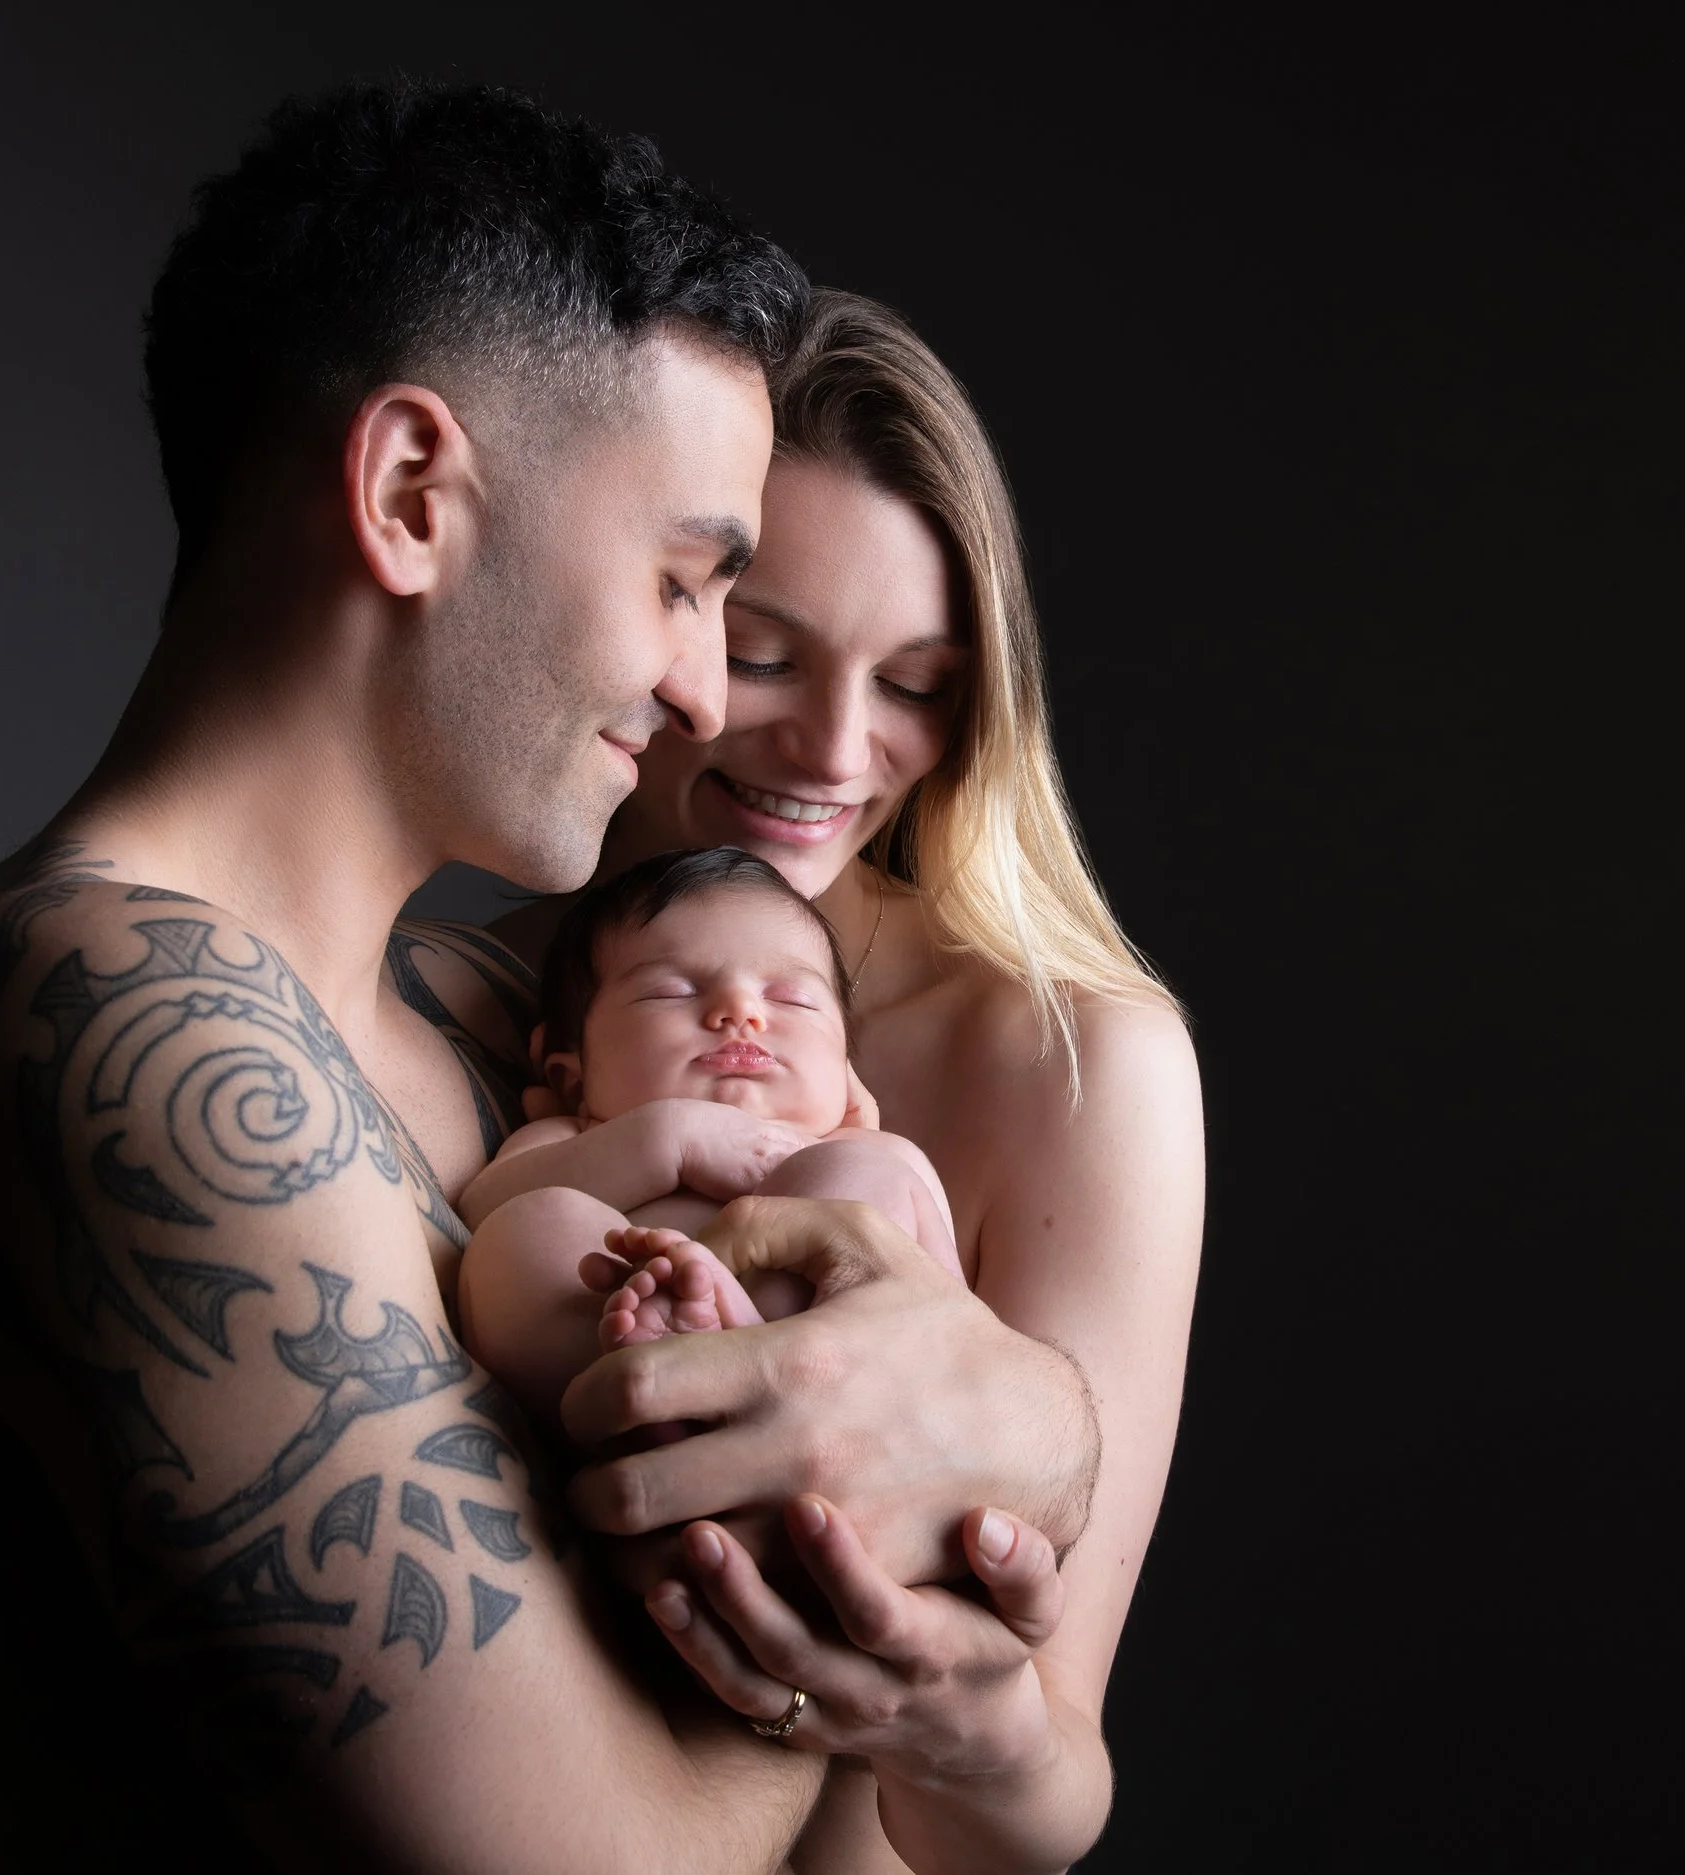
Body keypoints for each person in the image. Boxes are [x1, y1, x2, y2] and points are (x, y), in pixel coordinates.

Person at [0, 81, 1102, 1874]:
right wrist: (895, 1522)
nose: (705, 691)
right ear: (411, 495)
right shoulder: (102, 1020)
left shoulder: (488, 1022)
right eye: (682, 579)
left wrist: (1036, 1419)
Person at [491, 288, 1207, 1872]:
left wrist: (973, 1719)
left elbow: (1039, 1811)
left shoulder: (1080, 1057)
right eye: (764, 654)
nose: (832, 750)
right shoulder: (487, 996)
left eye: (916, 681)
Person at [456, 845, 963, 1425]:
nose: (740, 1010)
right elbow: (481, 1211)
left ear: (845, 1068)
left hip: (848, 1403)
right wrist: (670, 1139)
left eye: (792, 999)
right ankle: (650, 1399)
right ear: (572, 1079)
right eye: (671, 991)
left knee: (870, 1176)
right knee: (528, 1225)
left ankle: (763, 1373)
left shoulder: (863, 1149)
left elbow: (952, 1312)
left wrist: (856, 1159)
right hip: (619, 1365)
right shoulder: (578, 1135)